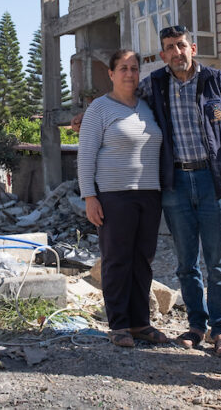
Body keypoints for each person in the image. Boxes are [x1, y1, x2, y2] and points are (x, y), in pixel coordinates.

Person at [141, 25, 221, 358]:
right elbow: (122, 98)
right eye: (169, 48)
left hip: (214, 182)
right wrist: (87, 116)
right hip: (175, 184)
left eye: (181, 45)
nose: (176, 52)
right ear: (163, 55)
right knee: (185, 263)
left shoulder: (215, 82)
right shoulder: (155, 85)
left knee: (217, 263)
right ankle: (196, 325)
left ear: (193, 48)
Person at [77, 49, 168, 348]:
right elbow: (86, 156)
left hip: (149, 194)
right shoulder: (99, 109)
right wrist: (90, 196)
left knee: (143, 260)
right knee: (117, 260)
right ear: (111, 74)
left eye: (133, 68)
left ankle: (140, 323)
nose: (129, 73)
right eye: (123, 68)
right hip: (114, 196)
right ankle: (118, 325)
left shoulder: (147, 107)